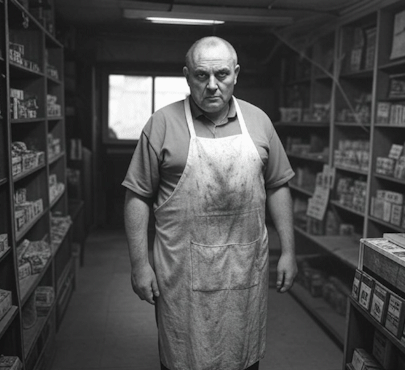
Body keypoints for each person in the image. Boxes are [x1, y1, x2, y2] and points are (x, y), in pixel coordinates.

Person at [122, 36, 298, 370]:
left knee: (242, 357)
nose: (213, 85)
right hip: (181, 272)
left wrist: (288, 251)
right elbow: (138, 195)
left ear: (236, 73)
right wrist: (139, 263)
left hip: (244, 268)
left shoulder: (259, 121)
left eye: (222, 74)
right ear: (187, 76)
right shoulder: (161, 124)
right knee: (183, 356)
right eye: (202, 76)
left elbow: (277, 186)